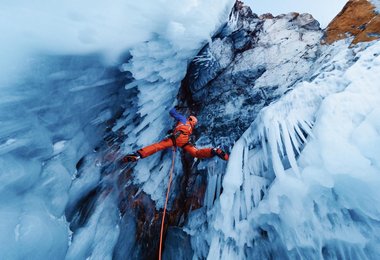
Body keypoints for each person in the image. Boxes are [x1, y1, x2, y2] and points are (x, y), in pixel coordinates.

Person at [122, 107, 229, 162]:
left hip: (175, 138)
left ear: (189, 118)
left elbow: (172, 113)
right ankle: (213, 151)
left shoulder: (184, 119)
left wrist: (174, 108)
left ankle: (138, 155)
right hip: (184, 142)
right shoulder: (191, 128)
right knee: (196, 153)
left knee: (158, 146)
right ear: (194, 123)